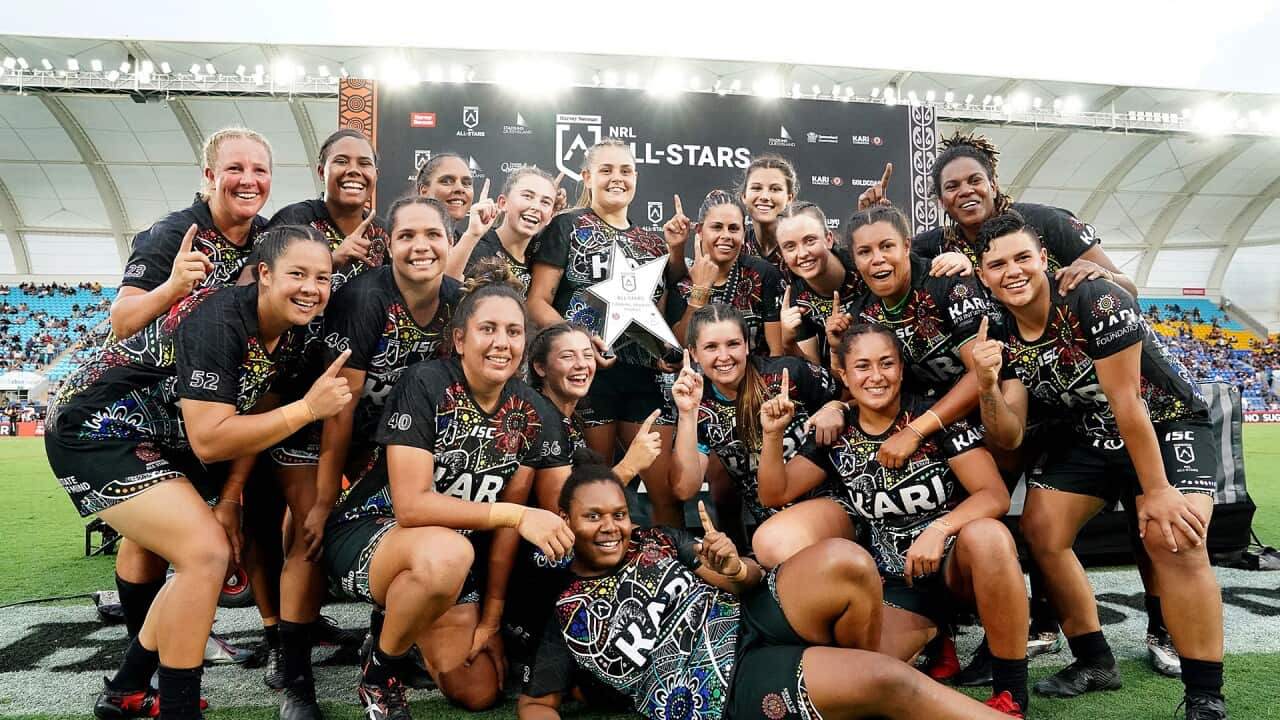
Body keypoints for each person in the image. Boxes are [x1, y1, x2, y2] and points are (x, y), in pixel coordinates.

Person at [45, 226, 350, 720]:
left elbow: (261, 408)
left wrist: (231, 495)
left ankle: (125, 689)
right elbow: (211, 437)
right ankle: (179, 710)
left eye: (322, 276)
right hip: (97, 427)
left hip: (162, 439)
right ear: (265, 274)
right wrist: (309, 410)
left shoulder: (295, 330)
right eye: (297, 273)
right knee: (205, 554)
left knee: (201, 555)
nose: (311, 287)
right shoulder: (219, 315)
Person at [517, 452, 1016, 720]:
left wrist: (734, 568)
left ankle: (855, 684)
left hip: (749, 613)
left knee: (848, 560)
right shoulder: (566, 610)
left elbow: (745, 577)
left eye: (620, 514)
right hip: (722, 682)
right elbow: (537, 703)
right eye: (594, 517)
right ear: (566, 520)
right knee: (890, 681)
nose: (612, 527)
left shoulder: (656, 539)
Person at [972, 211, 1226, 719]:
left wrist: (1155, 493)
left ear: (1044, 259)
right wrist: (985, 385)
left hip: (1167, 419)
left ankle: (1204, 697)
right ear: (983, 276)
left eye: (1023, 258)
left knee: (1173, 535)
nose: (1012, 271)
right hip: (1092, 431)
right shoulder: (998, 326)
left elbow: (1129, 403)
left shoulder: (1093, 297)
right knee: (1042, 531)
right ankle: (1094, 660)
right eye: (997, 264)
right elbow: (1011, 433)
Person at [322, 260, 574, 717]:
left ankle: (399, 623)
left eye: (514, 332)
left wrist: (492, 620)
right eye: (488, 329)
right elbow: (413, 507)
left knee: (478, 691)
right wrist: (516, 515)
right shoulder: (427, 382)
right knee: (449, 554)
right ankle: (381, 675)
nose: (502, 343)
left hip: (451, 559)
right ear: (460, 339)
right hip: (373, 533)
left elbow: (514, 530)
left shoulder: (534, 412)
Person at [256, 196, 463, 714]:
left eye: (433, 234)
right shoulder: (367, 297)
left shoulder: (459, 301)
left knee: (404, 527)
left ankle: (385, 640)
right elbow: (338, 409)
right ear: (388, 244)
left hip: (387, 439)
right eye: (407, 235)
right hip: (319, 422)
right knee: (309, 536)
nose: (421, 246)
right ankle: (294, 673)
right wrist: (326, 497)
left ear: (450, 241)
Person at [757, 324, 1030, 715]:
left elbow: (995, 495)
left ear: (902, 369)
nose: (876, 376)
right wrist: (772, 435)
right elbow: (774, 493)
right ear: (844, 376)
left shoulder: (931, 418)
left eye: (886, 364)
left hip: (956, 566)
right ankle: (936, 639)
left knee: (989, 535)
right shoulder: (838, 431)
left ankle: (1011, 692)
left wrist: (940, 529)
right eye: (863, 367)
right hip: (897, 581)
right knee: (861, 683)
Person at [106, 126, 274, 675]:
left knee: (201, 537)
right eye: (235, 169)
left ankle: (161, 648)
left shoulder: (268, 238)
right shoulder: (172, 234)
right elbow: (122, 321)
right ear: (208, 177)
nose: (248, 180)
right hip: (144, 413)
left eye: (259, 170)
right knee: (149, 541)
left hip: (205, 411)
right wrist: (172, 286)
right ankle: (147, 658)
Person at [527, 138, 685, 526]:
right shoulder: (568, 226)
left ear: (636, 177)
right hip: (583, 379)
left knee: (662, 490)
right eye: (607, 170)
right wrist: (581, 341)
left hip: (642, 380)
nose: (618, 178)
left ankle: (670, 566)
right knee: (594, 489)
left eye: (626, 170)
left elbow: (657, 315)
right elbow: (535, 302)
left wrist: (663, 352)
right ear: (587, 176)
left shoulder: (652, 242)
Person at [670, 304, 846, 566]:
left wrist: (837, 407)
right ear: (694, 353)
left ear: (747, 345)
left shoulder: (787, 373)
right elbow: (685, 489)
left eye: (733, 344)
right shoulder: (698, 402)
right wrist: (687, 414)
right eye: (711, 347)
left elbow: (850, 395)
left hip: (827, 506)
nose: (724, 356)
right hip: (772, 531)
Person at [859, 133, 1135, 296]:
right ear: (942, 201)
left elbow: (1130, 291)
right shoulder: (935, 247)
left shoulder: (1047, 223)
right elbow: (883, 268)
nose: (965, 191)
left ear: (992, 185)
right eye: (953, 187)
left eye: (974, 180)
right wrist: (878, 222)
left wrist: (1102, 275)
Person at [667, 190, 786, 358]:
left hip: (754, 379)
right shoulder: (681, 278)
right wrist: (699, 292)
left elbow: (777, 353)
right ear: (699, 230)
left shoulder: (763, 274)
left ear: (744, 233)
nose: (726, 236)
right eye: (716, 227)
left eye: (733, 228)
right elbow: (681, 345)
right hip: (697, 381)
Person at [268, 129, 389, 292]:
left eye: (364, 163)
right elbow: (254, 285)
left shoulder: (384, 232)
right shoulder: (294, 220)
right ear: (321, 172)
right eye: (341, 161)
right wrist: (331, 261)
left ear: (376, 174)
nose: (354, 170)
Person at [775, 203, 865, 369]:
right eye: (790, 246)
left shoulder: (862, 263)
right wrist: (788, 342)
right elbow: (814, 371)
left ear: (829, 239)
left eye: (810, 240)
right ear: (782, 254)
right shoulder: (796, 298)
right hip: (841, 377)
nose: (802, 254)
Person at [447, 167, 559, 295]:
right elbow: (443, 290)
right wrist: (472, 235)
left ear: (551, 216)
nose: (536, 207)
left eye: (545, 202)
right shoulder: (477, 247)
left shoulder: (543, 257)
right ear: (503, 203)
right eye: (527, 196)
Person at [738, 155, 797, 275]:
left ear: (789, 198)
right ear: (744, 196)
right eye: (756, 188)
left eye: (775, 189)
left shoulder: (802, 247)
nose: (764, 196)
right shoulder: (736, 246)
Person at [416, 152, 475, 231]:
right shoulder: (405, 240)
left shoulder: (475, 239)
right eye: (447, 181)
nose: (460, 188)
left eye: (466, 183)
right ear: (424, 192)